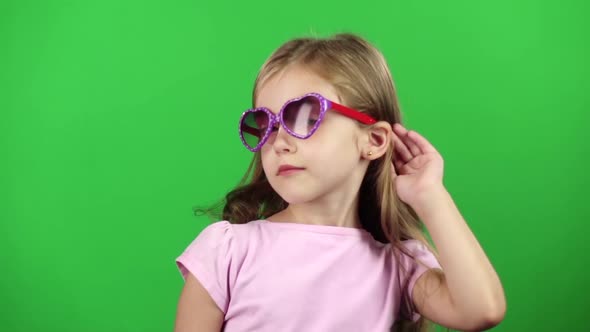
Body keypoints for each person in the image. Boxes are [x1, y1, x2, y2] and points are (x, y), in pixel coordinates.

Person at [173, 33, 506, 332]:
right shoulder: (227, 251)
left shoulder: (399, 265)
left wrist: (429, 194)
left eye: (303, 117)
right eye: (266, 125)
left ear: (374, 141)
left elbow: (482, 311)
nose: (279, 142)